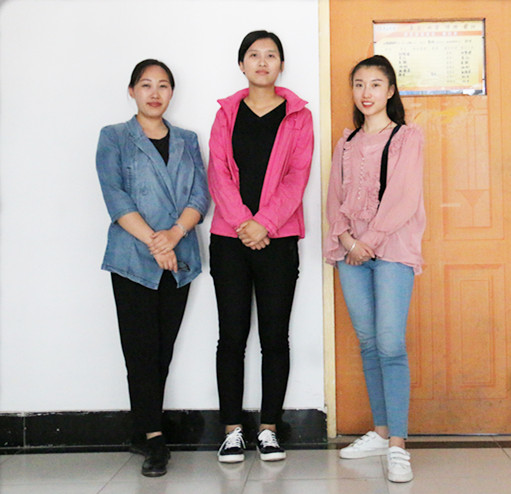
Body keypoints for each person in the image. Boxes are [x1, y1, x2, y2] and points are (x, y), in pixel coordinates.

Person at [96, 59, 209, 477]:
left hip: (179, 258)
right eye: (146, 85)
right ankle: (155, 439)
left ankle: (142, 430)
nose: (155, 93)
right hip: (132, 260)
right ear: (132, 91)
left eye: (163, 85)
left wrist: (173, 236)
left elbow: (200, 195)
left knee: (162, 351)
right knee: (140, 350)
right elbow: (116, 197)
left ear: (172, 93)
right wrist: (155, 243)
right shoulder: (114, 137)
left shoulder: (187, 139)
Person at [208, 30, 314, 463]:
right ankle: (232, 431)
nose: (263, 62)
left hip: (279, 239)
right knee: (231, 337)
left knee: (275, 337)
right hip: (229, 240)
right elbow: (218, 172)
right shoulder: (226, 113)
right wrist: (243, 224)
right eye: (254, 55)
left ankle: (269, 429)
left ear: (281, 65)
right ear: (242, 64)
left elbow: (297, 176)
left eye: (271, 55)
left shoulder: (298, 115)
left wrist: (264, 224)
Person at [324, 55, 425, 483]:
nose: (366, 93)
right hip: (351, 252)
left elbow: (404, 197)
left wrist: (369, 241)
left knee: (390, 343)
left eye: (376, 84)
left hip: (392, 249)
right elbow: (334, 198)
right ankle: (381, 433)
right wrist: (348, 240)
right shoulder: (346, 142)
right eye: (359, 84)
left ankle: (398, 445)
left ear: (390, 90)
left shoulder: (407, 137)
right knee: (368, 342)